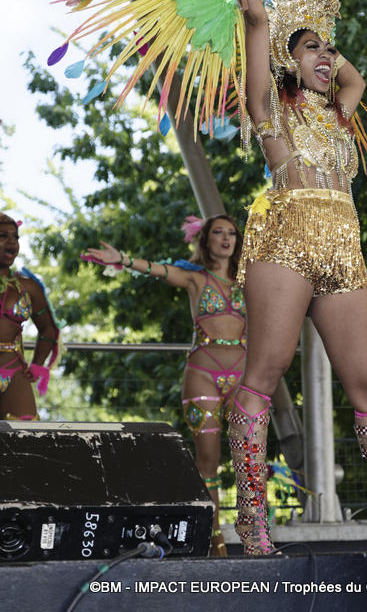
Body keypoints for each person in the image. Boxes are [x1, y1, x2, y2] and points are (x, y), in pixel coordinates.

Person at [222, 0, 367, 556]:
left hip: (344, 250)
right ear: (286, 58)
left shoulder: (340, 113)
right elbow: (255, 22)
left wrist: (316, 18)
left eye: (330, 48)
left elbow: (353, 74)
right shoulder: (269, 108)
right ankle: (252, 519)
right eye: (315, 49)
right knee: (265, 371)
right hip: (286, 239)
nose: (329, 57)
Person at [83, 214, 245, 557]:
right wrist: (123, 260)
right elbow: (158, 269)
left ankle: (256, 536)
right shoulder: (195, 279)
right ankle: (215, 542)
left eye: (232, 233)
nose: (226, 238)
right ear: (206, 240)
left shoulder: (251, 281)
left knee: (249, 459)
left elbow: (292, 298)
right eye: (218, 232)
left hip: (246, 376)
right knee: (208, 462)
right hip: (204, 372)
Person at [0, 213, 60, 420]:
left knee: (25, 437)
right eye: (3, 236)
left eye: (15, 237)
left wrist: (37, 365)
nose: (11, 242)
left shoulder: (29, 286)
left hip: (13, 371)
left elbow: (48, 329)